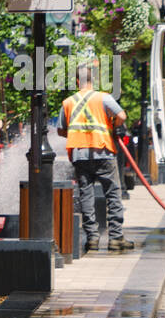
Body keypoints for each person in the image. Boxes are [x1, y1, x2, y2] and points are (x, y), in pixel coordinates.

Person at [57, 65, 135, 253]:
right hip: (103, 151)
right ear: (93, 81)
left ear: (77, 82)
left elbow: (61, 130)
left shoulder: (68, 102)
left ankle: (92, 237)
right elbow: (122, 116)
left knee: (86, 194)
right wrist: (113, 125)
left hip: (80, 154)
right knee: (113, 193)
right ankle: (115, 238)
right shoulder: (104, 98)